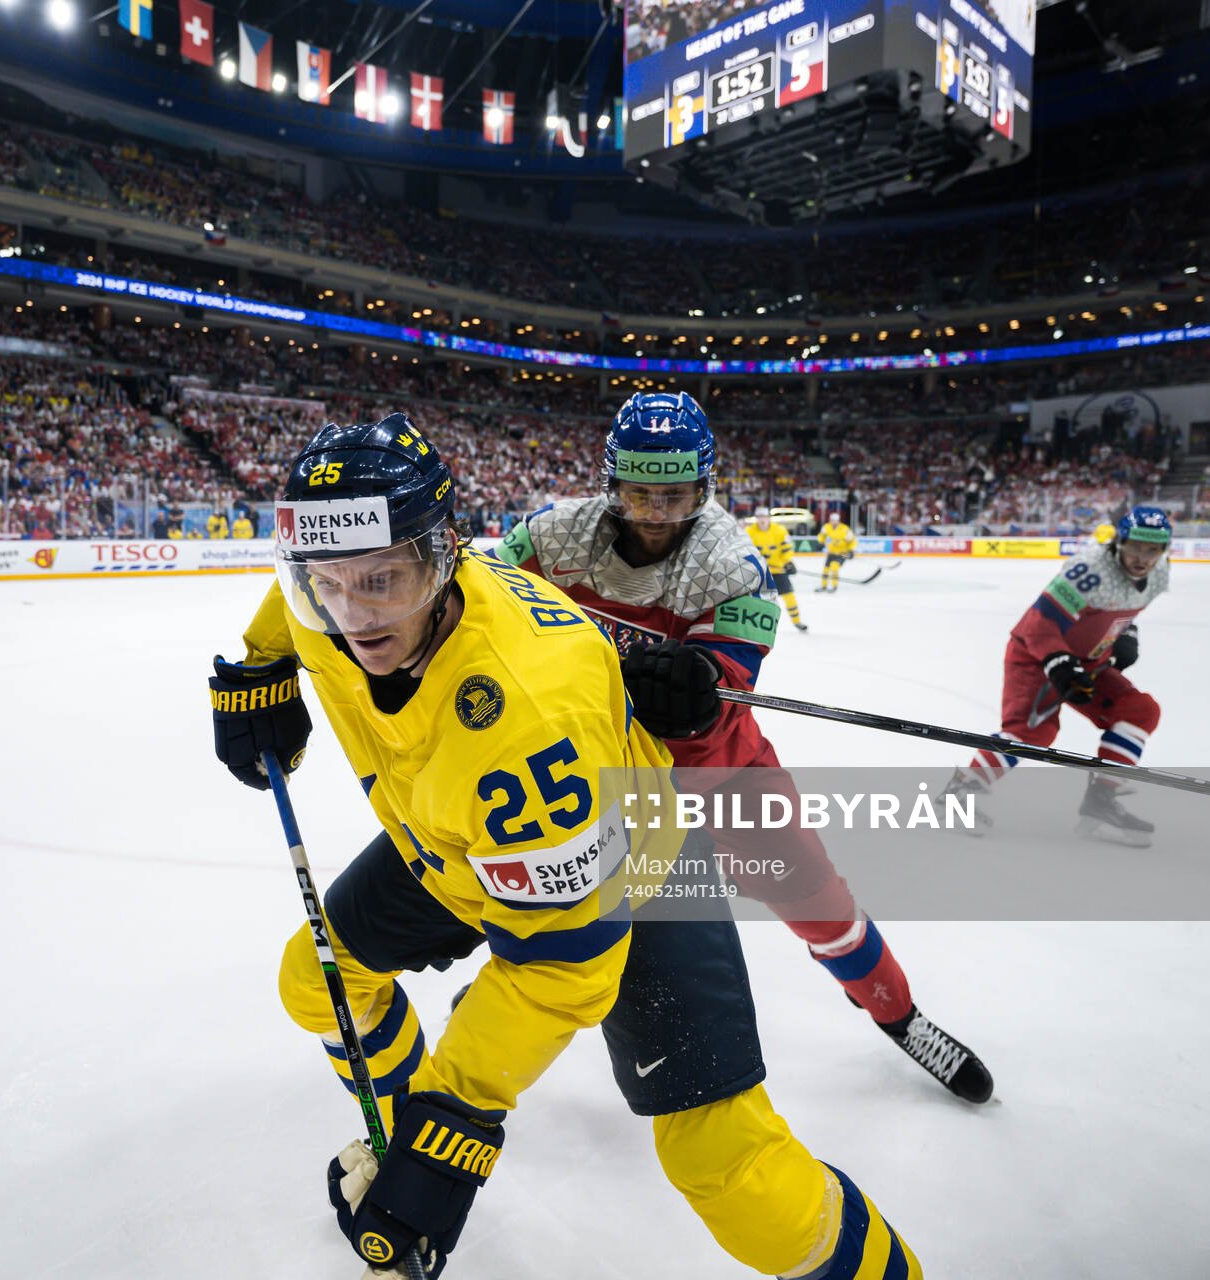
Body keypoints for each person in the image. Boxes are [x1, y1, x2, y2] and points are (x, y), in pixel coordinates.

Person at [210, 412, 920, 1280]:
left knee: (732, 1174)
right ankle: (394, 1128)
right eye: (327, 583)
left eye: (383, 581)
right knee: (316, 981)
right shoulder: (334, 601)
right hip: (456, 849)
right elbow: (319, 591)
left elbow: (564, 964)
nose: (354, 615)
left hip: (631, 871)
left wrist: (457, 1118)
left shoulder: (530, 721)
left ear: (443, 559)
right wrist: (259, 666)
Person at [498, 391, 991, 1102]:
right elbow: (485, 602)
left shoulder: (732, 562)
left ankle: (898, 1013)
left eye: (677, 495)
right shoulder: (551, 535)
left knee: (817, 900)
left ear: (704, 486)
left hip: (719, 774)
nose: (658, 515)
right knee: (551, 902)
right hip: (596, 772)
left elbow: (725, 676)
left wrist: (693, 686)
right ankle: (513, 999)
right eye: (639, 494)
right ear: (612, 484)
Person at [945, 505, 1174, 846]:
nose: (1143, 557)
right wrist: (1059, 664)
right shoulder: (1090, 569)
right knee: (1032, 732)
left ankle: (1100, 802)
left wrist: (1126, 634)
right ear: (1120, 541)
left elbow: (1126, 607)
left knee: (1138, 710)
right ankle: (959, 793)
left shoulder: (1158, 573)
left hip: (1090, 660)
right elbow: (1041, 622)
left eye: (1152, 550)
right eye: (1136, 546)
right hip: (1036, 656)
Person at [746, 507, 807, 630]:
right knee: (755, 599)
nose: (762, 520)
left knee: (789, 596)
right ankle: (752, 624)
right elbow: (745, 550)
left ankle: (797, 621)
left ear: (769, 517)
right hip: (760, 572)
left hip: (778, 570)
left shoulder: (780, 530)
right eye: (759, 517)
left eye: (764, 517)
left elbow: (787, 549)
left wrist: (787, 562)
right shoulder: (749, 531)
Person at [816, 509, 857, 593]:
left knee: (834, 566)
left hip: (843, 553)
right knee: (826, 569)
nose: (833, 522)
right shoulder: (826, 527)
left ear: (838, 521)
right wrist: (820, 543)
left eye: (835, 520)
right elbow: (821, 536)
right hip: (831, 553)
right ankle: (824, 586)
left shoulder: (844, 529)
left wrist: (851, 551)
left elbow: (852, 540)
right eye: (832, 520)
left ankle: (834, 586)